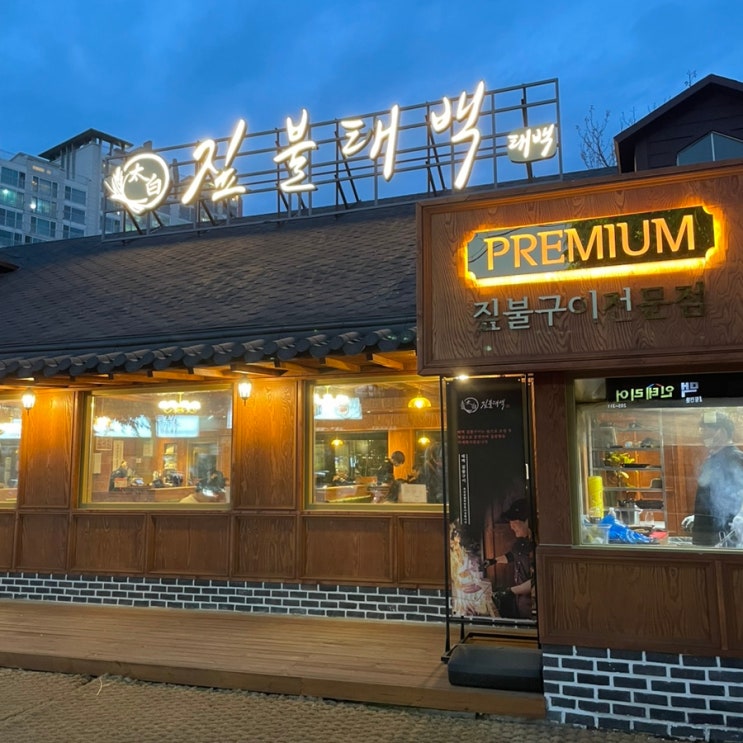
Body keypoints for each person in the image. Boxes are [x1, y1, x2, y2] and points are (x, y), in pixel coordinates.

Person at [683, 411, 743, 547]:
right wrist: (701, 518)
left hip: (725, 540)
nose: (702, 435)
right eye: (701, 430)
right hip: (708, 538)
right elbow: (711, 498)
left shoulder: (736, 459)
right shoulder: (711, 459)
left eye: (706, 430)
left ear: (721, 432)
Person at [482, 498, 535, 619]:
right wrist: (493, 561)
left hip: (531, 601)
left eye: (515, 522)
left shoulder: (536, 546)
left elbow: (535, 582)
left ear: (527, 521)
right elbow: (512, 556)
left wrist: (509, 591)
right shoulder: (521, 542)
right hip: (519, 598)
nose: (511, 526)